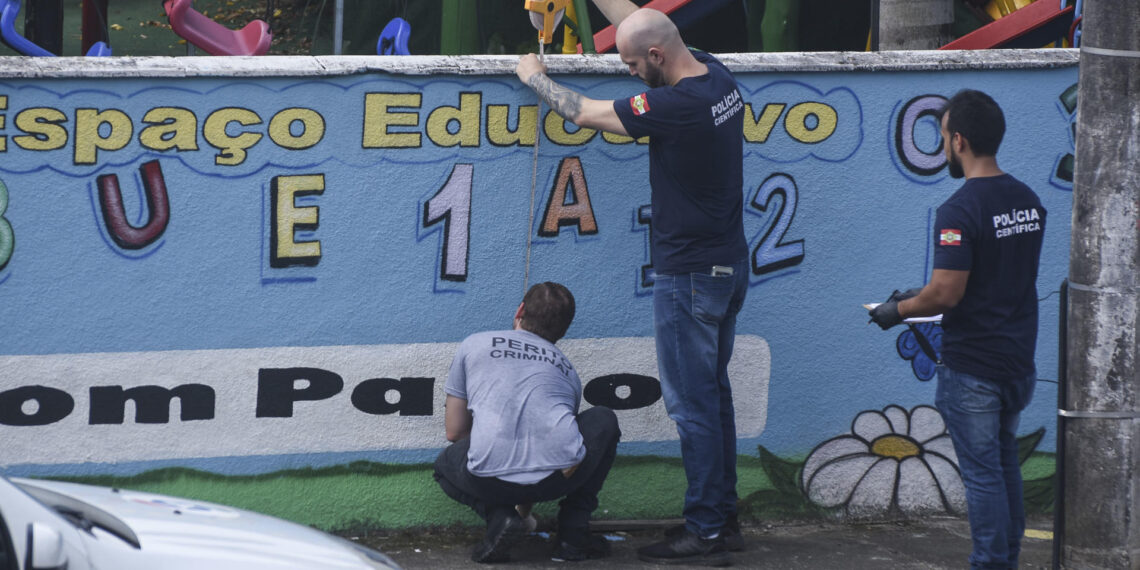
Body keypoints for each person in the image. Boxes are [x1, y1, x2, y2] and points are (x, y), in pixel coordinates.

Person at [516, 2, 749, 566]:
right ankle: (723, 518)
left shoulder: (677, 105)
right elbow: (645, 17)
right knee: (714, 400)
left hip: (689, 276)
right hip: (726, 266)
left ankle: (707, 532)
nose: (624, 70)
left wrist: (535, 78)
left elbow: (587, 114)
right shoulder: (714, 76)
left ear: (656, 56)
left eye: (627, 62)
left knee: (693, 408)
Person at [869, 89, 1046, 569]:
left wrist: (898, 310)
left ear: (959, 140)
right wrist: (918, 295)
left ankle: (991, 563)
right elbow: (994, 275)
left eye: (944, 135)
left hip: (975, 369)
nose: (943, 145)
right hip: (1017, 362)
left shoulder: (959, 210)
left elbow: (946, 294)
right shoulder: (1027, 200)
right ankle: (1004, 560)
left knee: (984, 475)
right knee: (1004, 463)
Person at [433, 282, 621, 564]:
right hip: (557, 479)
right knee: (603, 419)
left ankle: (500, 517)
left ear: (520, 310)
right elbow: (553, 440)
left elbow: (455, 431)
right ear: (563, 330)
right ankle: (573, 536)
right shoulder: (568, 370)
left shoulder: (475, 344)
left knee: (444, 467)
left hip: (487, 479)